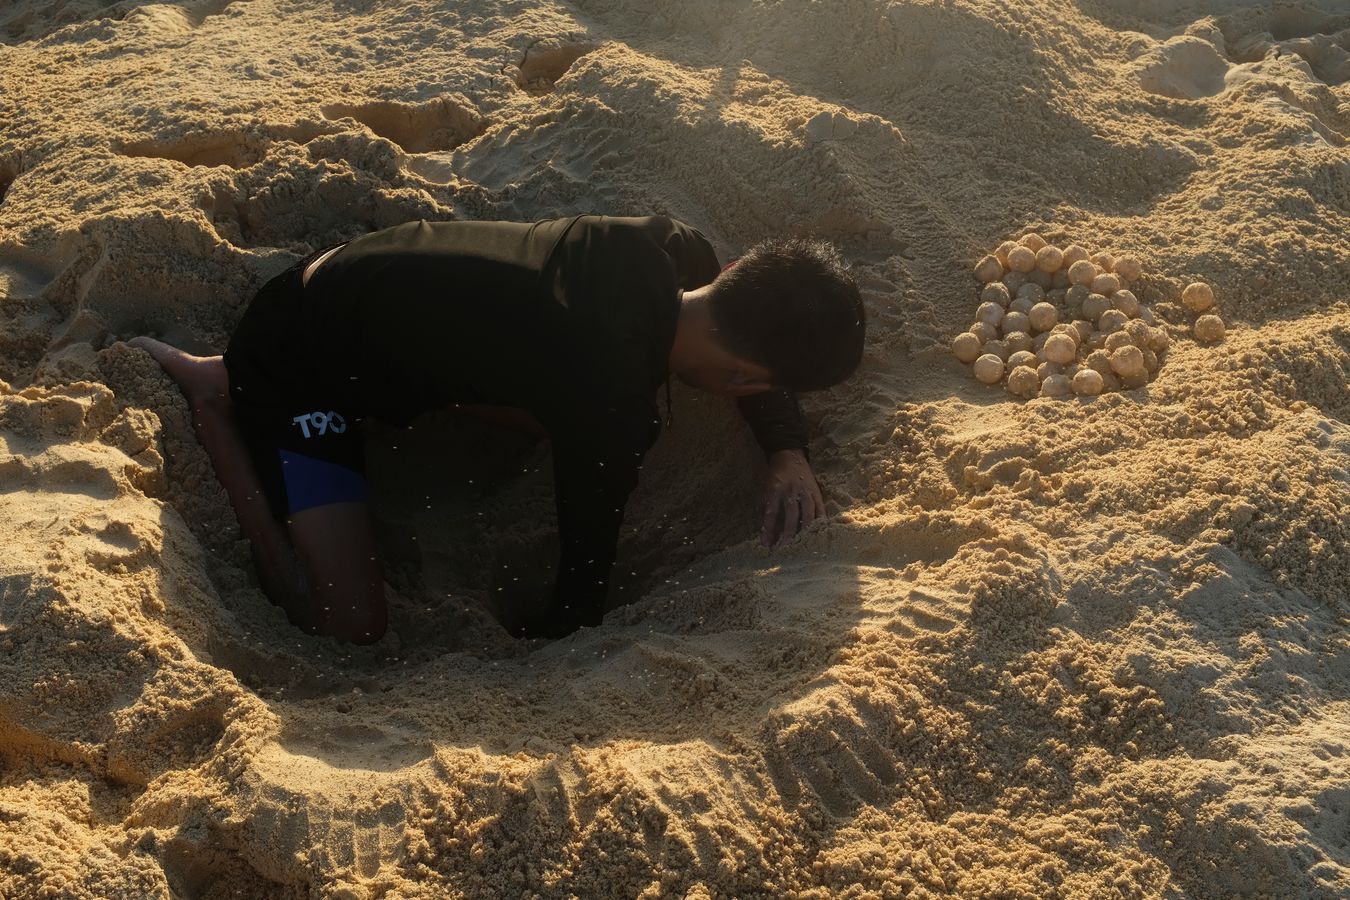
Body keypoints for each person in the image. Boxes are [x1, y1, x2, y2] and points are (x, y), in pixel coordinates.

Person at [130, 214, 864, 644]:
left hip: (340, 278)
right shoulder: (607, 405)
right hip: (293, 364)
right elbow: (578, 590)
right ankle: (218, 398)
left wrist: (786, 448)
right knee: (350, 622)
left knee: (529, 371)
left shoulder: (672, 247)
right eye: (760, 390)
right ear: (744, 381)